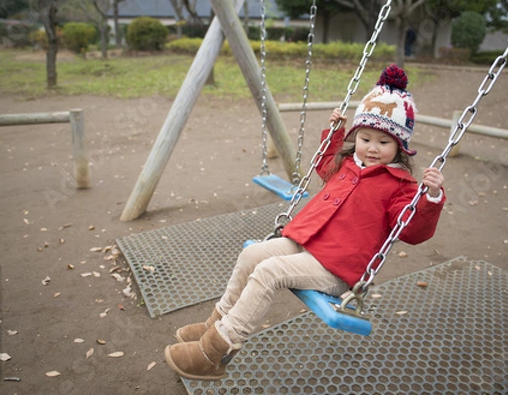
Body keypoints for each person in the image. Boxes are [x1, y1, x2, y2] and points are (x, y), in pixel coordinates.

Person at [164, 64, 446, 381]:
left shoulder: (401, 186)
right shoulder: (348, 164)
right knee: (252, 255)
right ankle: (214, 322)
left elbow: (411, 230)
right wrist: (335, 134)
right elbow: (325, 167)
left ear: (400, 147)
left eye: (383, 142)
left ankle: (215, 350)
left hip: (337, 267)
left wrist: (430, 197)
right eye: (365, 138)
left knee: (270, 272)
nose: (372, 148)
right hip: (306, 240)